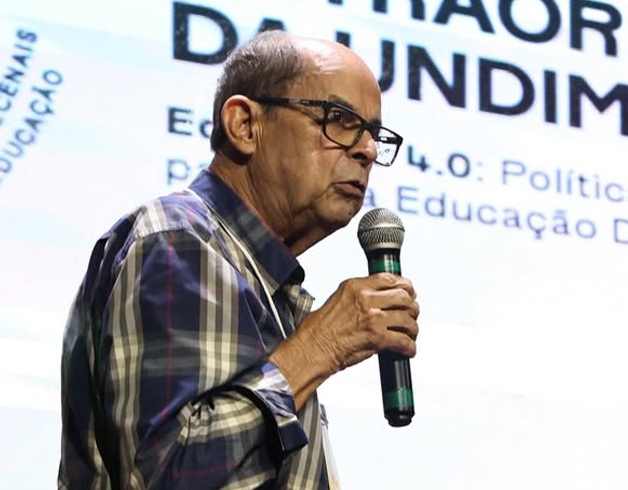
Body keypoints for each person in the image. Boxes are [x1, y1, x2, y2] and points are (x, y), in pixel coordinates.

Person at [59, 30, 420, 489]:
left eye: (373, 133)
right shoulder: (178, 240)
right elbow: (169, 475)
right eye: (339, 119)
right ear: (245, 125)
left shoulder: (269, 288)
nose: (366, 149)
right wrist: (320, 347)